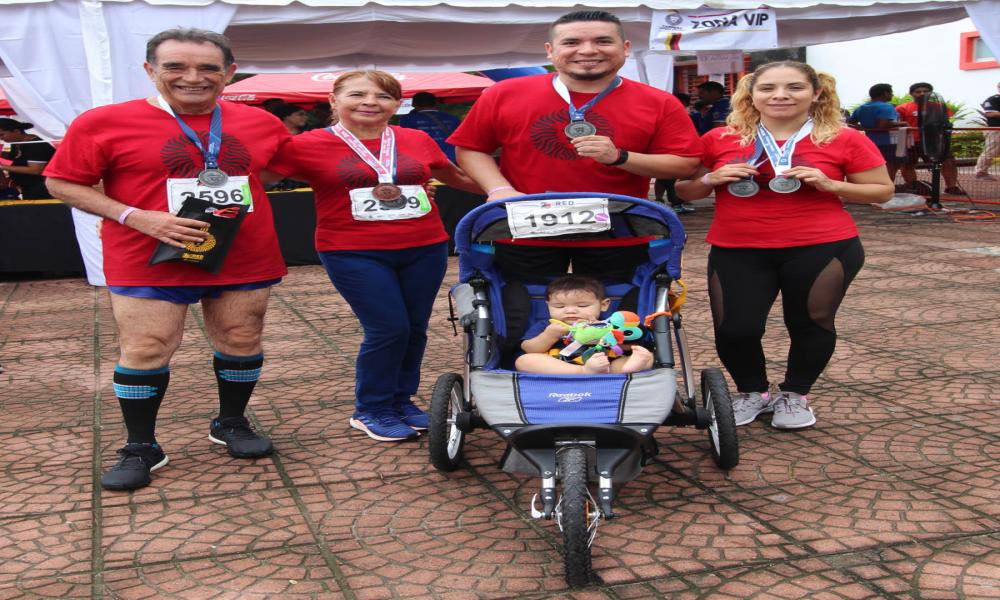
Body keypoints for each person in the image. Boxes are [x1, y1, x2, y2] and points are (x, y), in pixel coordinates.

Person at [44, 28, 289, 491]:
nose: (192, 77)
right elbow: (61, 182)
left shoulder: (262, 123)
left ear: (230, 73)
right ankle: (141, 445)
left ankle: (231, 423)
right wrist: (136, 216)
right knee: (147, 347)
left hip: (243, 252)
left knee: (241, 336)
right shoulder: (103, 122)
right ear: (150, 70)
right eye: (176, 66)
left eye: (208, 68)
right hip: (146, 253)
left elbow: (275, 171)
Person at [675, 61, 893, 430]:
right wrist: (711, 178)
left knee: (810, 322)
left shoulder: (844, 137)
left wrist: (832, 185)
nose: (780, 95)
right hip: (737, 246)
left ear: (815, 93)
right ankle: (752, 392)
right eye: (768, 88)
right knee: (735, 329)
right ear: (751, 94)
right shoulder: (719, 138)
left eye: (794, 87)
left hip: (823, 246)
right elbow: (685, 190)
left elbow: (883, 191)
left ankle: (795, 394)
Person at [267, 70, 481, 443]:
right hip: (353, 250)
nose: (370, 102)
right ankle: (372, 408)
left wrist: (506, 191)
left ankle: (401, 400)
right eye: (357, 94)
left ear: (397, 104)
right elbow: (261, 178)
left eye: (383, 96)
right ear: (333, 101)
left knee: (415, 327)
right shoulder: (306, 144)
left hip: (425, 245)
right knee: (388, 328)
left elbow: (456, 177)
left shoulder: (415, 138)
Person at [449, 10, 701, 281]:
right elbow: (471, 147)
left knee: (616, 316)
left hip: (618, 229)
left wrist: (620, 157)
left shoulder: (658, 102)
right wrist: (499, 189)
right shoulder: (505, 93)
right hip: (524, 227)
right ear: (550, 50)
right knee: (523, 314)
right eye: (571, 43)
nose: (588, 50)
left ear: (625, 48)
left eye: (603, 41)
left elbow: (685, 164)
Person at [515, 275, 653, 375]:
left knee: (647, 357)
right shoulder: (547, 325)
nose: (570, 310)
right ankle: (582, 371)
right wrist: (549, 335)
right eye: (559, 306)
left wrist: (618, 339)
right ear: (548, 306)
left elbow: (628, 346)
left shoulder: (611, 322)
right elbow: (529, 348)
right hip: (561, 363)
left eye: (582, 305)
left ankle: (627, 368)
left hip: (607, 362)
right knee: (524, 361)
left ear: (604, 305)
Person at [895, 82, 964, 195]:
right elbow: (897, 124)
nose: (922, 93)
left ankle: (951, 187)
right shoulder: (902, 108)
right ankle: (914, 187)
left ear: (931, 93)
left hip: (935, 142)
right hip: (912, 142)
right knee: (908, 164)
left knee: (948, 162)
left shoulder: (939, 107)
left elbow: (945, 122)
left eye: (926, 91)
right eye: (918, 91)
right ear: (911, 94)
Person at [849, 83, 903, 182]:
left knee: (873, 167)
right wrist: (903, 124)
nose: (892, 95)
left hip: (869, 142)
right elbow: (882, 125)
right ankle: (887, 189)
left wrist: (864, 127)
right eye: (891, 93)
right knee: (890, 166)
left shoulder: (862, 107)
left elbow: (851, 122)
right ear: (885, 93)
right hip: (888, 143)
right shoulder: (886, 107)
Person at [0, 118, 56, 199]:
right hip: (29, 189)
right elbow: (16, 157)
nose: (1, 138)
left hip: (43, 190)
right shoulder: (16, 143)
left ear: (16, 131)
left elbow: (35, 170)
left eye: (2, 135)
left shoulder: (34, 145)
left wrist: (3, 167)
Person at [398, 92, 462, 162]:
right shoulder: (453, 118)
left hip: (425, 160)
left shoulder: (407, 120)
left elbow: (405, 141)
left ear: (413, 104)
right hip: (452, 159)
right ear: (436, 103)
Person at [975, 81, 1000, 181]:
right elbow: (989, 113)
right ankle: (981, 172)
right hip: (995, 130)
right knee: (991, 151)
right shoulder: (993, 99)